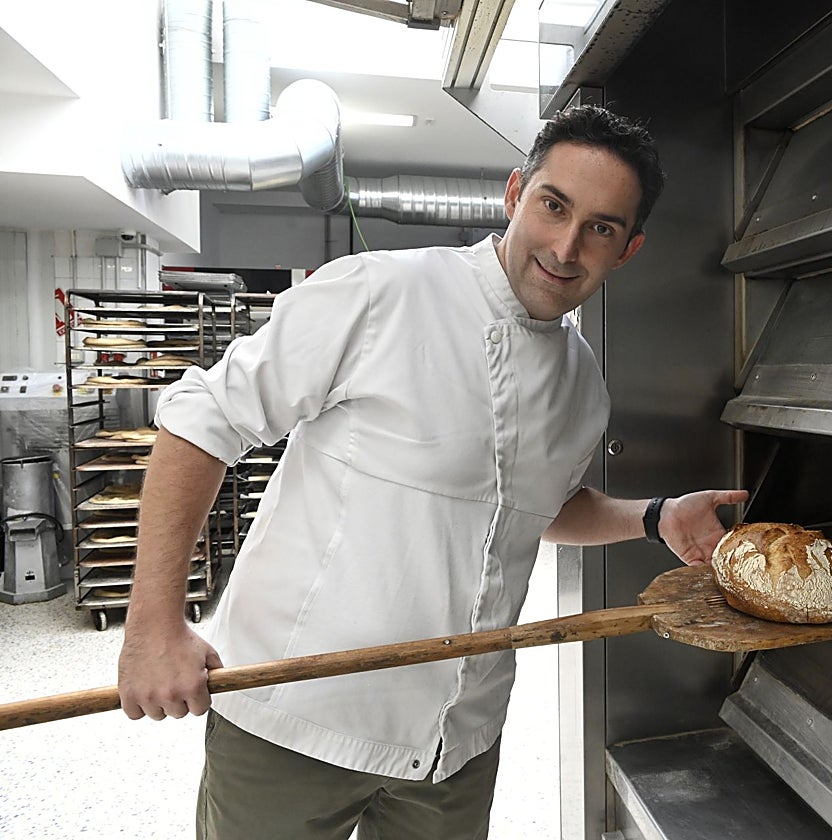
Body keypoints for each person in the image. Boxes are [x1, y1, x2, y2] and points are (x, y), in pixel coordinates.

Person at [118, 105, 748, 840]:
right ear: (516, 194)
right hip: (296, 724)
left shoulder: (583, 383)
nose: (566, 246)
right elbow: (200, 420)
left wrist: (653, 515)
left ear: (627, 249)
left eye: (601, 228)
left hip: (457, 748)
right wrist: (154, 624)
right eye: (554, 206)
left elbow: (538, 508)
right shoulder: (380, 292)